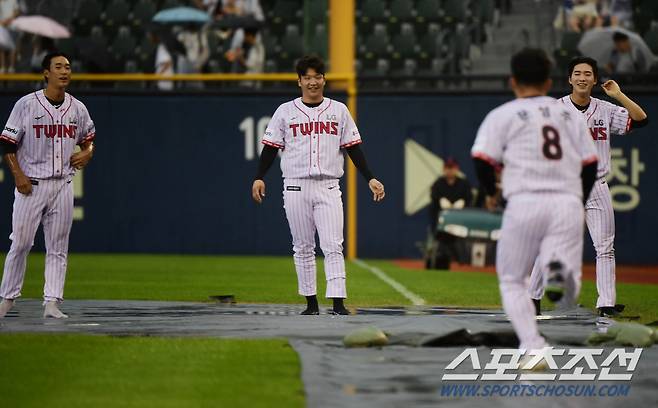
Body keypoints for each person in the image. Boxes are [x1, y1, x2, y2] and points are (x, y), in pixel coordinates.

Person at [472, 48, 598, 359]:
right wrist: (578, 199)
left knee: (513, 280)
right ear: (549, 80)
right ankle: (558, 268)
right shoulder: (569, 114)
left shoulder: (502, 114)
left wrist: (491, 192)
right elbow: (591, 164)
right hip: (566, 201)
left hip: (524, 202)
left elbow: (482, 161)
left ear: (512, 80)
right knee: (569, 293)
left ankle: (532, 346)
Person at [252, 55, 385, 316]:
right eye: (307, 77)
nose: (312, 82)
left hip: (328, 185)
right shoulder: (285, 111)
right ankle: (311, 304)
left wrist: (370, 177)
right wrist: (259, 176)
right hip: (295, 185)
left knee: (333, 245)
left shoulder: (339, 110)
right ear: (299, 81)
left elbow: (353, 149)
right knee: (302, 247)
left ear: (324, 79)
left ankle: (338, 303)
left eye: (317, 76)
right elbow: (270, 150)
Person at [528, 56, 648, 317]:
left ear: (595, 79)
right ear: (570, 78)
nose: (582, 78)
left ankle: (605, 303)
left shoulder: (604, 109)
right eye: (577, 73)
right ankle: (532, 297)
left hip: (597, 185)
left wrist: (619, 94)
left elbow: (641, 119)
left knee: (605, 247)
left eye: (587, 74)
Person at [0, 52, 96, 319]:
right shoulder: (27, 104)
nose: (65, 71)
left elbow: (88, 137)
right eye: (58, 67)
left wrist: (88, 151)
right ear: (46, 73)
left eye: (68, 67)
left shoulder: (77, 108)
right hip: (31, 183)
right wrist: (17, 175)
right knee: (20, 243)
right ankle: (7, 298)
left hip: (63, 184)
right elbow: (7, 144)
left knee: (58, 246)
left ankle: (52, 302)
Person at [429, 158, 472, 232]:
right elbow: (433, 197)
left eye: (452, 168)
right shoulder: (438, 184)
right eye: (447, 168)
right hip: (441, 222)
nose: (450, 170)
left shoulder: (464, 184)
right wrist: (440, 200)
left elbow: (469, 198)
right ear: (444, 169)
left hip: (460, 221)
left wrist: (463, 202)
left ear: (457, 169)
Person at [0, 0, 19, 73]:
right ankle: (2, 67)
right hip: (2, 27)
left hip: (12, 27)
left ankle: (12, 68)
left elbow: (17, 12)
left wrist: (9, 20)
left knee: (12, 47)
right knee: (1, 47)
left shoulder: (13, 1)